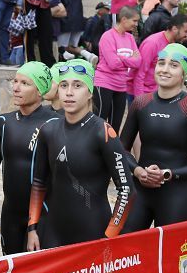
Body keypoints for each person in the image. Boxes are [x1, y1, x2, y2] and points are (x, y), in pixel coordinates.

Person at [26, 59, 133, 250]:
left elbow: (126, 190)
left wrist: (109, 235)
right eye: (64, 85)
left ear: (90, 92)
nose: (69, 92)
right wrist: (32, 228)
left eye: (78, 86)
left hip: (94, 232)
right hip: (53, 232)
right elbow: (39, 183)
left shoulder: (103, 132)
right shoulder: (48, 130)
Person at [121, 44, 187, 231]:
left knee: (172, 256)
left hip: (177, 193)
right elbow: (121, 150)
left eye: (173, 65)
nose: (165, 69)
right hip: (141, 189)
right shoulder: (141, 103)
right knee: (126, 252)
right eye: (161, 63)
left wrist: (167, 174)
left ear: (184, 73)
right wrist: (138, 171)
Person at [0, 62, 58, 254]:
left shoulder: (54, 124)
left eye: (25, 83)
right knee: (11, 272)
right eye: (15, 81)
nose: (16, 87)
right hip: (10, 214)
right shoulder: (4, 122)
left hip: (43, 216)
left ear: (39, 91)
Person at [94, 6, 141, 129]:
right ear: (124, 19)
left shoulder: (130, 38)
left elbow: (138, 62)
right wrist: (130, 59)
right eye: (134, 21)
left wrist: (120, 57)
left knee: (115, 126)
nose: (136, 24)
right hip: (104, 83)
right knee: (99, 122)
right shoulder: (108, 36)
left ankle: (111, 148)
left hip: (121, 85)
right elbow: (113, 64)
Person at [131, 13, 187, 98]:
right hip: (141, 94)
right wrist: (139, 101)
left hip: (155, 93)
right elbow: (139, 74)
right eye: (186, 31)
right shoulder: (152, 43)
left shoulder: (173, 44)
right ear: (174, 29)